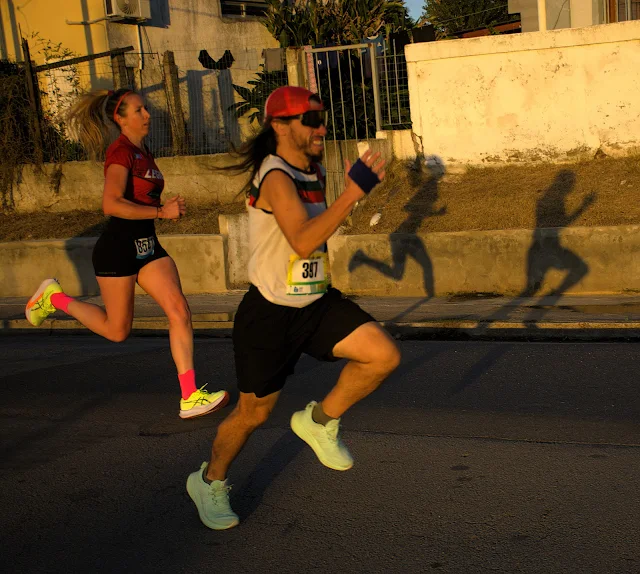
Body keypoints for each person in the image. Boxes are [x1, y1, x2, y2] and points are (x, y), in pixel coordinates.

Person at [186, 86, 401, 530]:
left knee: (382, 356)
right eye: (312, 120)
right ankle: (209, 481)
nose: (322, 128)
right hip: (269, 315)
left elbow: (313, 236)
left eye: (323, 118)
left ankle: (318, 422)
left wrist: (344, 198)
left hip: (315, 302)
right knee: (253, 415)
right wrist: (352, 195)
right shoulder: (275, 176)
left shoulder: (312, 170)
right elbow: (302, 241)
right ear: (281, 126)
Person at [24, 88, 228, 420]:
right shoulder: (120, 152)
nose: (147, 115)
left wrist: (163, 210)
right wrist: (161, 212)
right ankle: (55, 298)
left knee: (179, 311)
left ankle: (190, 395)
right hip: (118, 249)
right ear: (120, 119)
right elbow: (111, 204)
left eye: (146, 108)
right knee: (117, 331)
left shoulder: (143, 151)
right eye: (138, 110)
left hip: (147, 246)